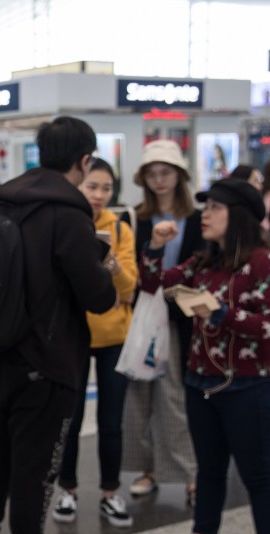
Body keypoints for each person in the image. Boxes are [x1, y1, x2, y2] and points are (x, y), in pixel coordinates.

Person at [0, 116, 117, 534]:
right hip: (48, 358)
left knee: (0, 454)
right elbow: (96, 296)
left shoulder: (2, 200)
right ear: (84, 160)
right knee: (37, 464)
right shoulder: (69, 212)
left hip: (3, 349)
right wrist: (105, 267)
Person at [142, 178, 270, 534]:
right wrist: (157, 247)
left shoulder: (262, 262)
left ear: (240, 216)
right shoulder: (201, 262)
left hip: (248, 384)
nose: (206, 215)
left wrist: (223, 315)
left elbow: (265, 325)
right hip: (200, 380)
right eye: (206, 207)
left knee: (258, 473)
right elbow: (153, 286)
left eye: (215, 207)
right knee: (208, 468)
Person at [52, 158, 139, 528]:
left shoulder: (119, 229)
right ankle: (67, 491)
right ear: (78, 186)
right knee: (69, 418)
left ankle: (109, 491)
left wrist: (114, 266)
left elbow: (130, 288)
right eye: (92, 186)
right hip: (75, 335)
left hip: (114, 337)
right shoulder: (65, 223)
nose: (99, 195)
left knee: (111, 421)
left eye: (106, 188)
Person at [122, 140, 202, 506]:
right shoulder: (135, 218)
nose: (159, 180)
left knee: (175, 400)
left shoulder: (199, 219)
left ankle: (191, 473)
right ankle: (147, 470)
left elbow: (201, 271)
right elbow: (135, 273)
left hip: (182, 319)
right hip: (143, 319)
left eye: (165, 172)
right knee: (138, 400)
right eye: (152, 174)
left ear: (180, 175)